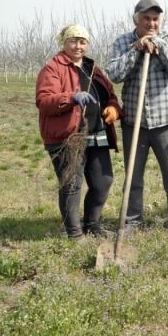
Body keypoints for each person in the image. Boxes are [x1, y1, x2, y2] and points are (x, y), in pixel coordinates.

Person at [107, 0, 168, 232]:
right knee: (133, 176)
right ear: (137, 20)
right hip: (135, 122)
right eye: (146, 19)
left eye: (155, 19)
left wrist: (158, 44)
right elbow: (114, 73)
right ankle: (132, 221)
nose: (151, 23)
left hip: (166, 121)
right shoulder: (123, 42)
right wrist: (136, 49)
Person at [36, 24, 123, 241]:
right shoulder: (53, 68)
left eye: (82, 41)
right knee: (71, 185)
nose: (78, 45)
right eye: (73, 40)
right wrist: (71, 97)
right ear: (64, 43)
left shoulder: (93, 68)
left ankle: (92, 225)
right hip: (68, 138)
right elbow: (44, 100)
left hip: (96, 134)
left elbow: (111, 94)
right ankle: (74, 234)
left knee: (103, 182)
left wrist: (114, 108)